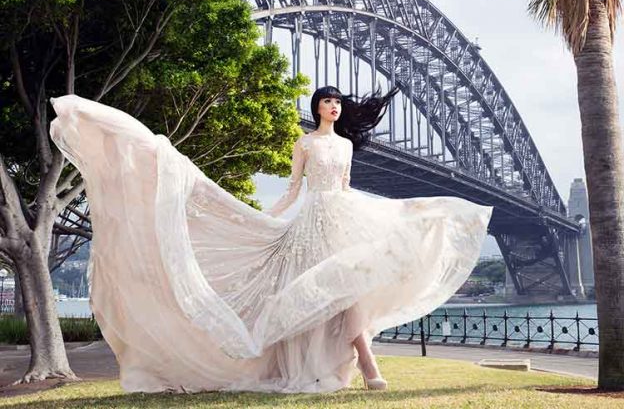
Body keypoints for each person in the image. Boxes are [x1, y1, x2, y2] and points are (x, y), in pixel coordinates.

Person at [49, 87, 493, 394]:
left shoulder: (346, 147)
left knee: (350, 288)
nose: (333, 107)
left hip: (344, 216)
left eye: (338, 102)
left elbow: (345, 186)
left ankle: (368, 365)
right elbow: (294, 190)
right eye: (326, 101)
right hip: (312, 222)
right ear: (317, 107)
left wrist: (386, 212)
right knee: (326, 295)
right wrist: (262, 218)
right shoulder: (304, 143)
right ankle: (366, 366)